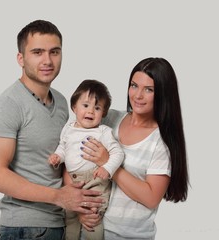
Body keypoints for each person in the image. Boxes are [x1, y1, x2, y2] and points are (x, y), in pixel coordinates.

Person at [0, 20, 103, 240]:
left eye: (54, 52)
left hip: (60, 223)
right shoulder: (7, 104)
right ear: (21, 58)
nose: (47, 60)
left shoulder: (60, 101)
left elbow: (65, 158)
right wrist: (59, 197)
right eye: (37, 52)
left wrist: (79, 205)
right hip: (25, 228)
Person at [78, 57, 189, 240]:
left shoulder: (160, 141)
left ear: (163, 94)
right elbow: (76, 160)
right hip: (90, 230)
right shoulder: (108, 119)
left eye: (149, 89)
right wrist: (79, 209)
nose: (137, 95)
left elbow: (151, 197)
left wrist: (109, 163)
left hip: (128, 235)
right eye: (134, 85)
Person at [48, 79, 124, 240]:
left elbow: (118, 153)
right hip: (73, 182)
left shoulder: (103, 132)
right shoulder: (68, 128)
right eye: (86, 105)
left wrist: (107, 168)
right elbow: (63, 146)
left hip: (95, 180)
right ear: (74, 107)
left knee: (92, 219)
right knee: (70, 218)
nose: (91, 111)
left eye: (97, 108)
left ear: (103, 113)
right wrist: (58, 156)